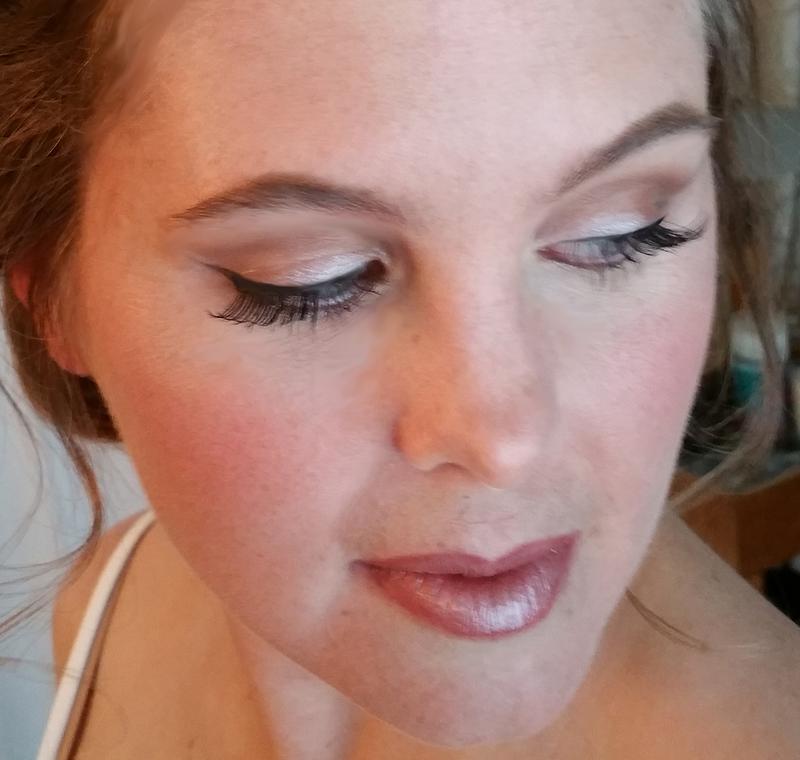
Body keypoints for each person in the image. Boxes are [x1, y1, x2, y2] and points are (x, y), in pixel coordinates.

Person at [2, 0, 800, 758]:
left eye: (619, 233)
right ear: (55, 301)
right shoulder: (104, 603)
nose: (502, 442)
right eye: (309, 278)